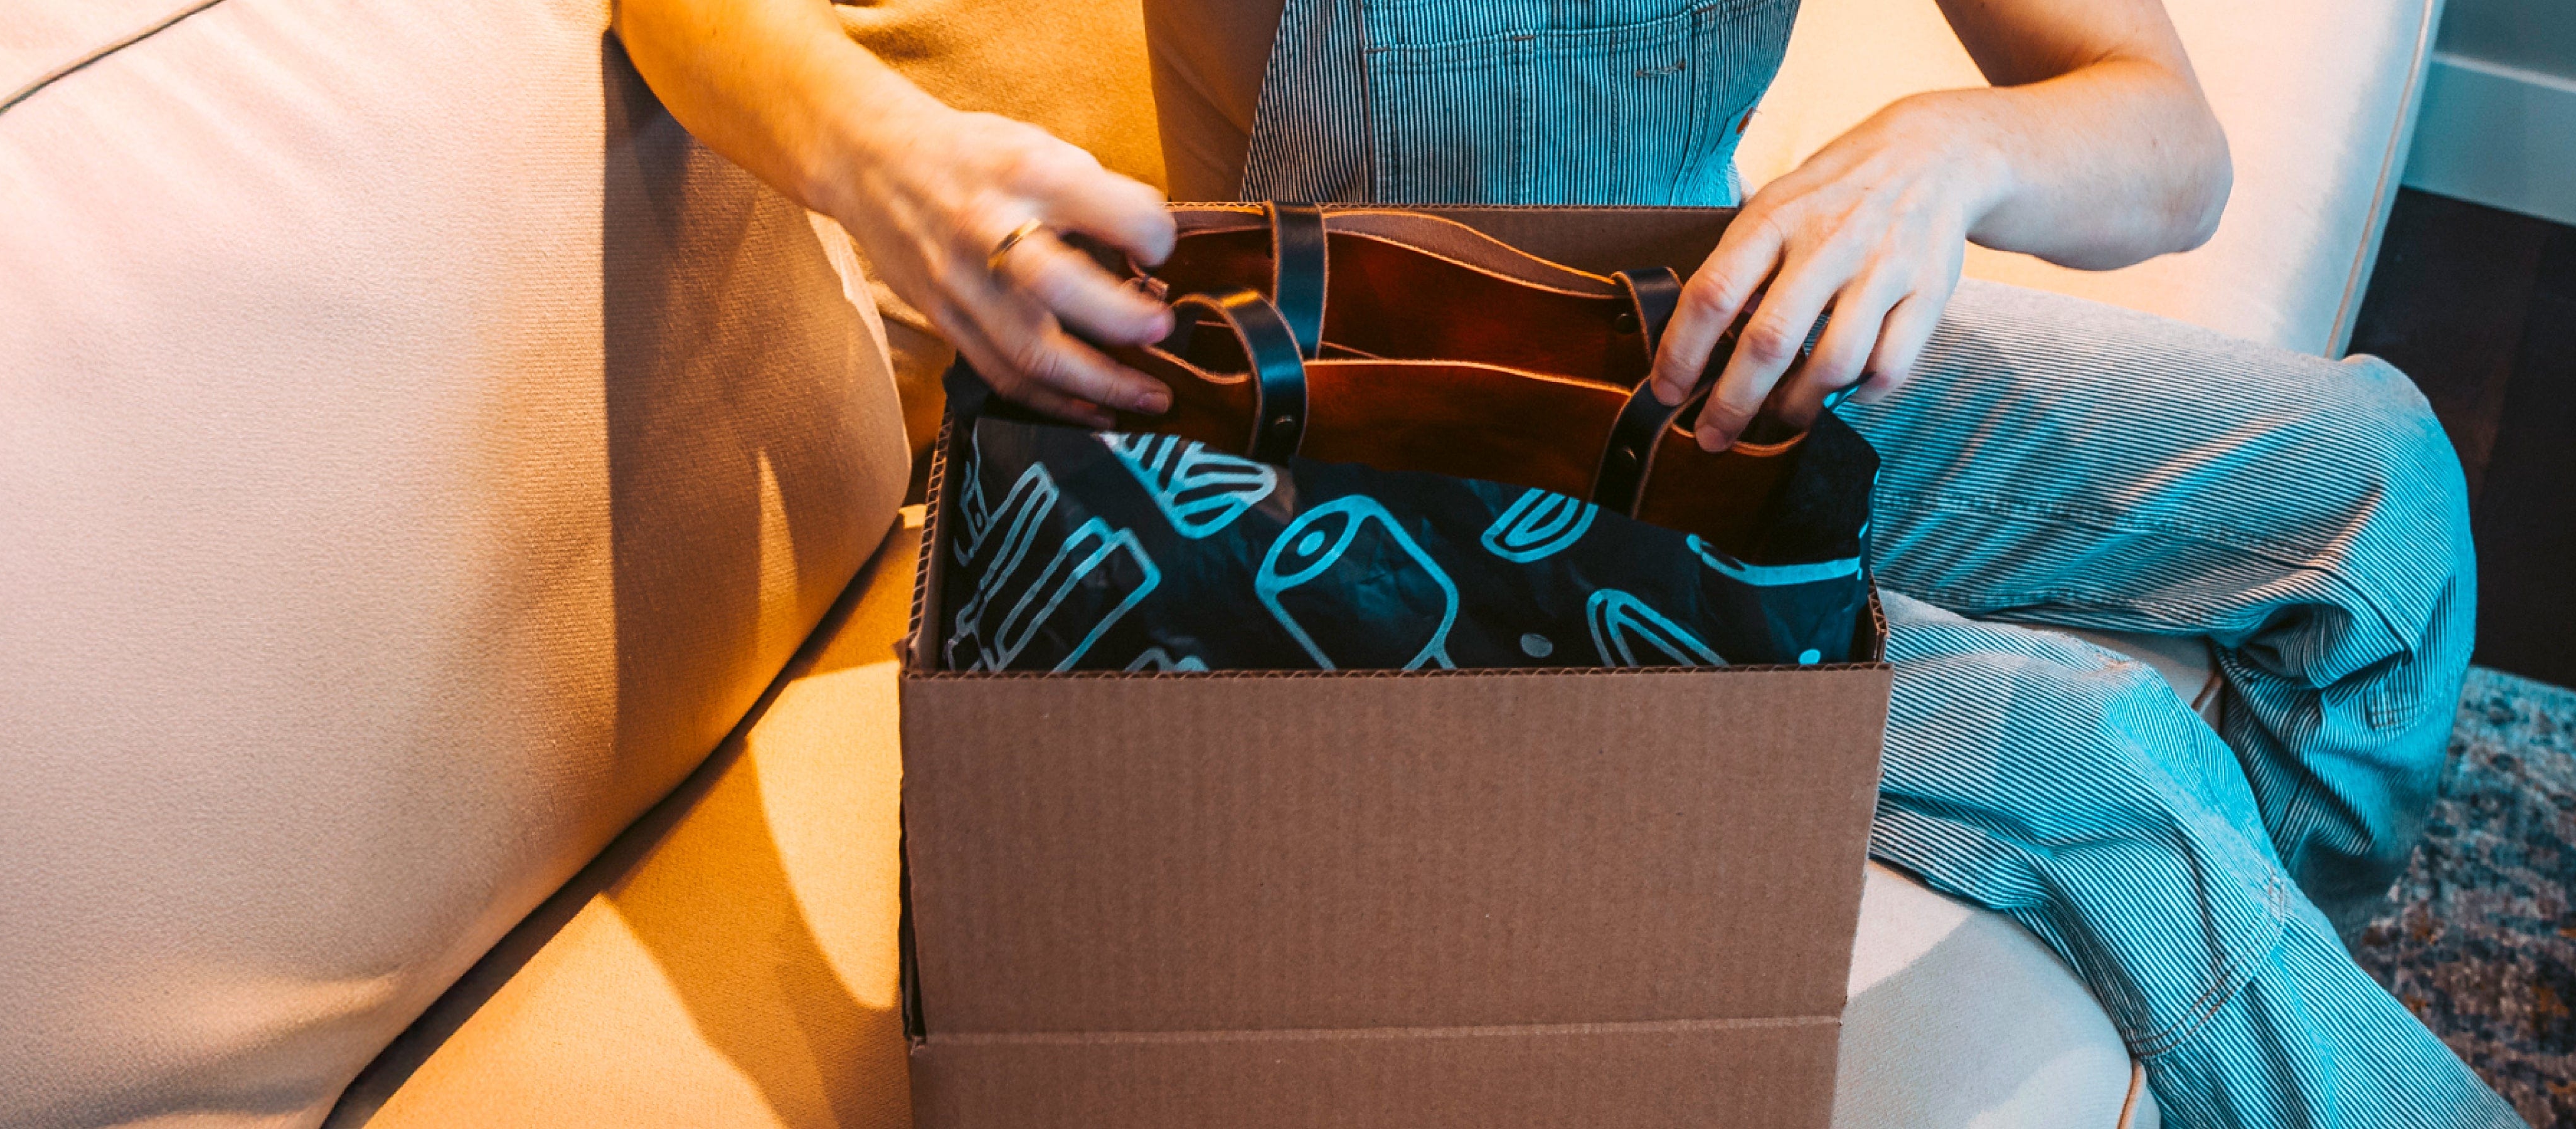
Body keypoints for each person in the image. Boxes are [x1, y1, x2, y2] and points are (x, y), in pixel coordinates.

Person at [612, 0, 2523, 1124]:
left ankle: (2245, 1019)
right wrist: (879, 154)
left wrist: (1951, 153)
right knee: (2100, 763)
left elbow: (2168, 139)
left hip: (1716, 342)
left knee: (2375, 486)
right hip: (1343, 473)